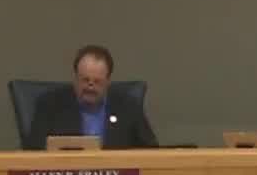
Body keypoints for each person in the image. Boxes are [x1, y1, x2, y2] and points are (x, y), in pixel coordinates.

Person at [25, 44, 159, 150]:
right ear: (75, 79)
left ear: (108, 81)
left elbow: (151, 151)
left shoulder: (128, 106)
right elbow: (32, 152)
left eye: (97, 81)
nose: (90, 86)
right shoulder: (49, 105)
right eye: (85, 80)